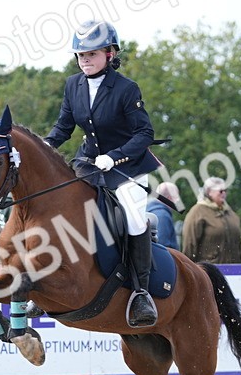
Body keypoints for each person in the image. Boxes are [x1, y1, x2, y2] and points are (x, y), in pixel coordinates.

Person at [44, 19, 160, 327]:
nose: (85, 61)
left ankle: (140, 292)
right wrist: (42, 148)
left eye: (91, 55)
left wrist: (116, 156)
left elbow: (144, 133)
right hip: (89, 164)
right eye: (81, 56)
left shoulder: (125, 88)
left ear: (109, 54)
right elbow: (63, 128)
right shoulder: (73, 85)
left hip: (128, 167)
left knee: (134, 220)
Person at [182, 176, 241, 264]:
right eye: (221, 191)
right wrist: (188, 266)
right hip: (208, 270)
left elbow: (239, 244)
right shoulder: (197, 212)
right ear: (209, 192)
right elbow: (190, 243)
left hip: (233, 268)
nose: (224, 193)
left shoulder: (230, 213)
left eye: (226, 191)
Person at [146, 181, 183, 250]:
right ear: (169, 198)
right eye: (176, 197)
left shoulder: (152, 211)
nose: (178, 200)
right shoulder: (162, 216)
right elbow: (162, 247)